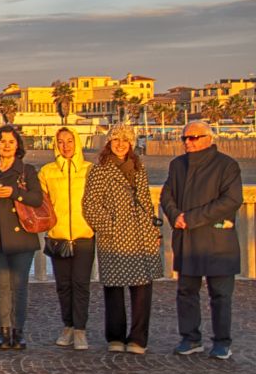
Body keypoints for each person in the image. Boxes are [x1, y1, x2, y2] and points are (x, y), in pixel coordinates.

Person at [162, 121, 243, 360]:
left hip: (218, 243)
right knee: (186, 291)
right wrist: (175, 215)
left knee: (220, 295)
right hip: (187, 240)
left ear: (208, 138)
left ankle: (222, 342)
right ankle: (190, 338)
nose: (188, 142)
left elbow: (231, 200)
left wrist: (192, 218)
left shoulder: (227, 165)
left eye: (193, 137)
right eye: (185, 138)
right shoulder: (177, 165)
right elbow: (166, 194)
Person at [82, 125, 163, 354]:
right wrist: (110, 226)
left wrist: (153, 229)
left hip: (141, 235)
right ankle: (115, 337)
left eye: (125, 141)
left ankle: (138, 338)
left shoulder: (139, 168)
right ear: (109, 143)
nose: (120, 144)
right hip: (114, 238)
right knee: (114, 290)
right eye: (116, 140)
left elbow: (146, 201)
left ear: (131, 144)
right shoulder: (100, 170)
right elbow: (91, 205)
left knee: (142, 289)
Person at [0, 124, 43, 350]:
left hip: (21, 237)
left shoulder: (27, 171)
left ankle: (19, 331)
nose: (6, 145)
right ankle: (4, 331)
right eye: (2, 141)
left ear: (18, 146)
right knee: (1, 285)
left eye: (11, 142)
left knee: (19, 285)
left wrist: (14, 193)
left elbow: (36, 199)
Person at [38, 127, 95, 351]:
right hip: (58, 236)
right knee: (63, 285)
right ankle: (68, 326)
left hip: (84, 235)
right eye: (61, 142)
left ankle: (80, 329)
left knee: (81, 284)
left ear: (77, 143)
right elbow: (41, 203)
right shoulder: (47, 172)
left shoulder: (90, 170)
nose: (66, 145)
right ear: (55, 145)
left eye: (69, 141)